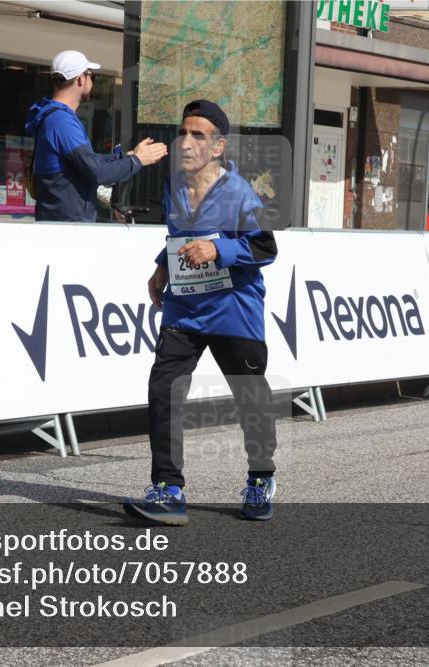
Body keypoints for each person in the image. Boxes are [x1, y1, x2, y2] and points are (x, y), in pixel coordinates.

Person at [123, 100, 279, 526]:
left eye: (198, 135)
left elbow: (266, 248)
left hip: (234, 311)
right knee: (164, 389)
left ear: (218, 147)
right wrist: (161, 266)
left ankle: (261, 478)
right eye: (183, 132)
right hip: (185, 309)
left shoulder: (241, 193)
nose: (186, 142)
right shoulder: (173, 186)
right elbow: (180, 233)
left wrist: (219, 249)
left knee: (250, 396)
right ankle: (168, 489)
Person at [24, 50, 167, 221]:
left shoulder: (55, 118)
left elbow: (86, 163)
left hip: (63, 224)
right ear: (80, 79)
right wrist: (137, 161)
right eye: (92, 76)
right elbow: (97, 172)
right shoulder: (61, 121)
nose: (92, 82)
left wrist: (126, 157)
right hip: (67, 228)